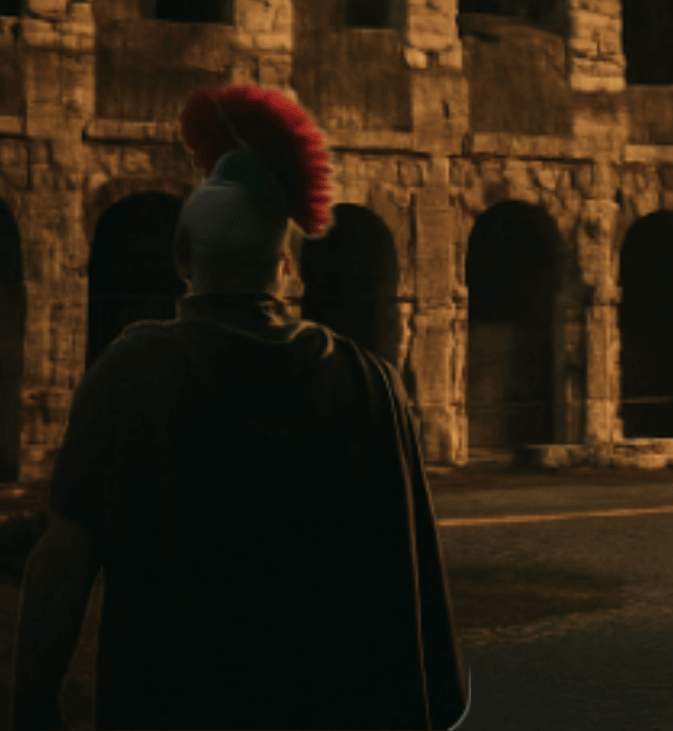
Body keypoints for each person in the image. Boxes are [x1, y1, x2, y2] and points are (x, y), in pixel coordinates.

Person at [13, 84, 468, 731]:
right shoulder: (371, 384)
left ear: (183, 259)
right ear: (287, 266)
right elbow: (409, 578)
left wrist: (33, 706)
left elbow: (62, 559)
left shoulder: (127, 375)